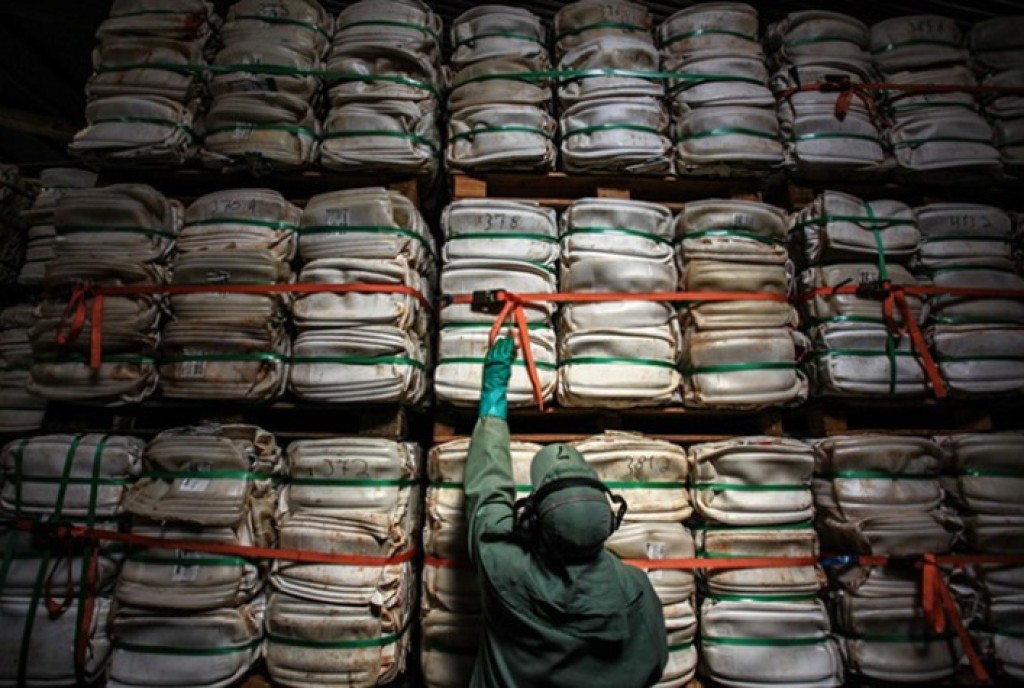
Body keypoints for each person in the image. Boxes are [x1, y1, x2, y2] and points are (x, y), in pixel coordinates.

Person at [463, 336, 668, 688]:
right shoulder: (635, 589)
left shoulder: (504, 571)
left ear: (533, 523)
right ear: (609, 521)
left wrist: (493, 402)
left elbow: (487, 491)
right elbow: (655, 661)